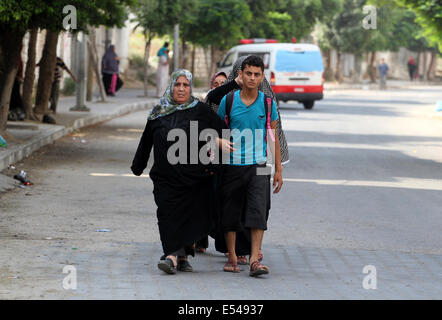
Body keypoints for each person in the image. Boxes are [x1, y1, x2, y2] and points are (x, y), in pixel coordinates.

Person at [131, 69, 228, 275]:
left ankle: (177, 256)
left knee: (189, 217)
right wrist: (138, 166)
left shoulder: (200, 111)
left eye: (185, 85)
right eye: (178, 85)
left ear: (190, 87)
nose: (181, 89)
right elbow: (146, 140)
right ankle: (173, 255)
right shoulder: (159, 111)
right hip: (165, 177)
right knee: (167, 215)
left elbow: (223, 134)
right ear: (171, 86)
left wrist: (215, 167)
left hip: (194, 177)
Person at [217, 55, 283, 277]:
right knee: (231, 211)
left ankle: (255, 259)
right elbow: (216, 131)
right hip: (232, 164)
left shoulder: (267, 103)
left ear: (262, 77)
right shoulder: (228, 101)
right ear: (241, 75)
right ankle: (233, 256)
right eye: (248, 74)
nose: (252, 78)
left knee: (259, 210)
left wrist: (279, 170)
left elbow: (273, 136)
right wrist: (219, 142)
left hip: (260, 164)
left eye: (257, 74)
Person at [195, 71, 228, 254]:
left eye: (224, 83)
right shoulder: (204, 107)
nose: (220, 87)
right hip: (206, 157)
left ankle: (224, 242)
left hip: (226, 159)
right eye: (216, 84)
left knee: (222, 200)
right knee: (203, 198)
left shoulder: (232, 105)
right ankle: (200, 240)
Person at [36, 56, 77, 124]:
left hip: (56, 81)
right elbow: (39, 64)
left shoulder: (58, 60)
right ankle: (48, 108)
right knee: (48, 96)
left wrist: (73, 76)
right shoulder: (45, 58)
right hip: (48, 80)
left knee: (54, 95)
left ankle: (53, 109)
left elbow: (66, 68)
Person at [8, 53, 26, 121]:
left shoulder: (17, 55)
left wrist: (20, 76)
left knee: (15, 96)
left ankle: (16, 113)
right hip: (12, 78)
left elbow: (20, 66)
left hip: (15, 79)